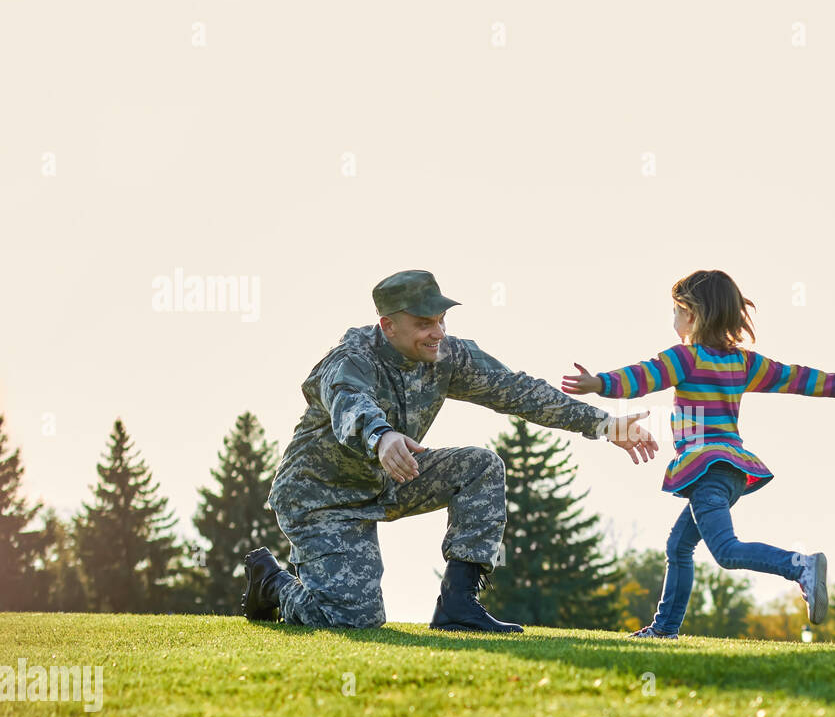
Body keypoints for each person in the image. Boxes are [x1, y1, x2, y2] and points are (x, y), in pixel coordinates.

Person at [242, 269, 657, 633]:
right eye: (424, 323)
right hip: (319, 498)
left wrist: (603, 423)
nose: (438, 332)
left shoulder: (447, 356)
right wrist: (382, 436)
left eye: (441, 319)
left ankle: (458, 605)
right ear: (388, 326)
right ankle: (272, 584)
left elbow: (518, 391)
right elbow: (349, 402)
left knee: (480, 466)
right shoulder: (351, 358)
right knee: (352, 619)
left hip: (392, 477)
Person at [562, 269, 835, 639]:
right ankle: (664, 629)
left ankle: (801, 566)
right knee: (679, 546)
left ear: (692, 314)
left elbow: (642, 376)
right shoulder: (744, 363)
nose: (672, 319)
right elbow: (793, 377)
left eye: (675, 310)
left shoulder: (685, 359)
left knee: (726, 551)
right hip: (731, 471)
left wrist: (598, 383)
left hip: (707, 470)